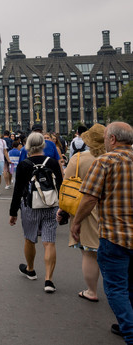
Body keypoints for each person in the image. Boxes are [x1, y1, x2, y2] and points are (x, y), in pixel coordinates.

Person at [71, 122, 133, 340]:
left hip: (115, 235)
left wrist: (76, 222)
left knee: (116, 288)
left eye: (107, 138)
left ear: (113, 139)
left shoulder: (105, 161)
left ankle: (130, 331)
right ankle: (128, 322)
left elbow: (89, 198)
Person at [9, 132, 64, 293]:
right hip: (51, 205)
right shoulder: (52, 162)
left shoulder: (24, 164)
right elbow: (60, 185)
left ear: (27, 146)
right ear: (43, 145)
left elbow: (18, 190)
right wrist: (63, 208)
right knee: (49, 242)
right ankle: (49, 280)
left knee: (29, 239)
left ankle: (31, 269)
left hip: (30, 206)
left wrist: (13, 212)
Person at [59, 123, 106, 303]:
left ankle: (91, 291)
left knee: (89, 252)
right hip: (113, 208)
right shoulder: (115, 158)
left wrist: (62, 209)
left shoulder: (78, 159)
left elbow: (66, 184)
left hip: (86, 209)